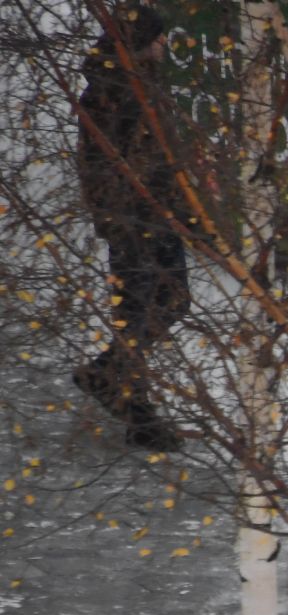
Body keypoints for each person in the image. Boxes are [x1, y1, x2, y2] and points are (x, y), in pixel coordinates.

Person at [72, 4, 188, 452]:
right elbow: (114, 162)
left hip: (152, 213)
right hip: (134, 217)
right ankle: (133, 411)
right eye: (159, 38)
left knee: (163, 303)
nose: (164, 45)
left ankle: (108, 375)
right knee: (147, 309)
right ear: (138, 44)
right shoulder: (113, 91)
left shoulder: (139, 83)